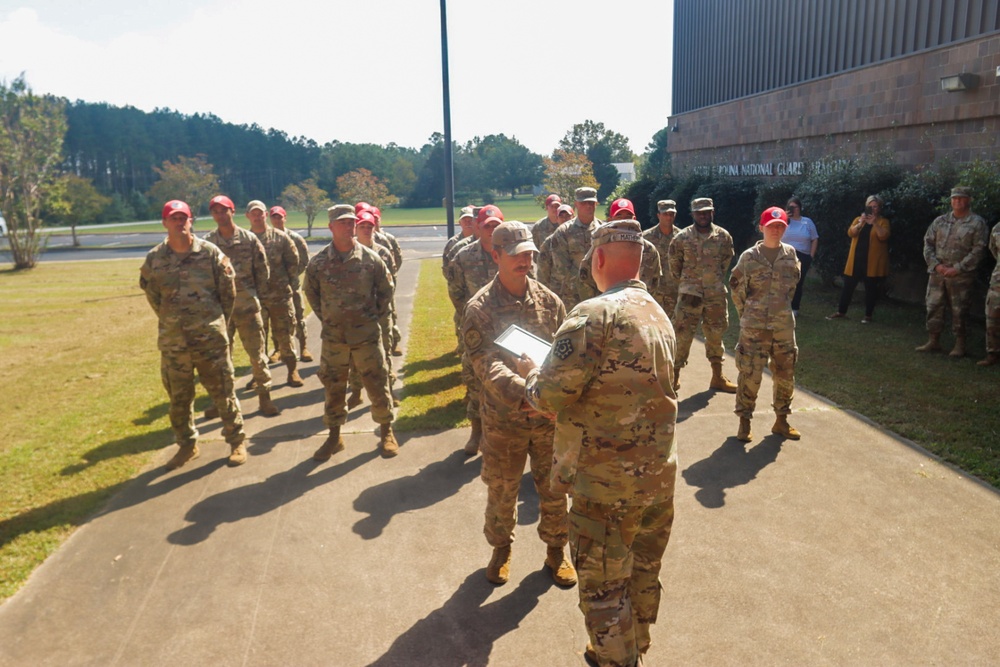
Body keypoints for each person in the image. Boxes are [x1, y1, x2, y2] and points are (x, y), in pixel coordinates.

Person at [518, 219, 678, 667]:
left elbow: (550, 395)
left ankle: (615, 658)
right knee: (642, 574)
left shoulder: (594, 313)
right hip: (657, 477)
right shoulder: (657, 314)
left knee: (604, 590)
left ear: (600, 259)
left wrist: (532, 371)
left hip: (604, 485)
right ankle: (635, 648)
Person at [461, 220, 576, 588]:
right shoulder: (479, 308)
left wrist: (548, 392)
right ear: (495, 255)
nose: (525, 261)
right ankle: (501, 549)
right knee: (502, 491)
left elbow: (563, 354)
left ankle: (557, 551)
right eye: (516, 255)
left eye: (529, 254)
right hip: (504, 421)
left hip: (546, 420)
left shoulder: (549, 302)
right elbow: (485, 365)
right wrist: (528, 389)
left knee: (555, 490)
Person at [140, 200, 248, 469]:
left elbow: (228, 294)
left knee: (223, 393)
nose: (179, 223)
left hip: (209, 340)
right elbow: (154, 297)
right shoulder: (155, 259)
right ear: (164, 222)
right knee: (179, 399)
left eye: (183, 218)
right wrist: (171, 322)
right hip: (174, 344)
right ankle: (187, 446)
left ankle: (236, 441)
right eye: (173, 218)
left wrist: (213, 323)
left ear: (191, 221)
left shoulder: (211, 254)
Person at [305, 204, 399, 460]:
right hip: (334, 339)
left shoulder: (370, 259)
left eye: (351, 222)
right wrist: (329, 318)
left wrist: (370, 319)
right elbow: (311, 292)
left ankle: (386, 431)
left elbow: (386, 291)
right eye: (342, 222)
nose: (349, 226)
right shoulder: (319, 263)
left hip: (366, 337)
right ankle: (334, 437)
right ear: (331, 227)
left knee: (378, 385)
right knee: (334, 388)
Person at [729, 207, 802, 442]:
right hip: (754, 328)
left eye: (781, 226)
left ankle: (781, 421)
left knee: (785, 374)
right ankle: (744, 422)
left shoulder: (790, 255)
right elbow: (737, 290)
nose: (776, 230)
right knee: (750, 374)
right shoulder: (749, 257)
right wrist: (748, 314)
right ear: (762, 228)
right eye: (772, 226)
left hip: (782, 327)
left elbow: (792, 287)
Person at [203, 195, 279, 417]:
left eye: (223, 210)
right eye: (215, 211)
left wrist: (255, 296)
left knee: (257, 355)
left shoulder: (248, 239)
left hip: (247, 307)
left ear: (232, 211)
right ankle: (221, 402)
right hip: (220, 313)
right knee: (220, 359)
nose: (220, 215)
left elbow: (262, 272)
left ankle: (265, 398)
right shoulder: (207, 244)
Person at [449, 205, 504, 455]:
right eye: (487, 225)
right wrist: (471, 319)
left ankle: (506, 435)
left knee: (508, 385)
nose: (492, 230)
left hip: (507, 332)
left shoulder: (512, 254)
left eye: (496, 225)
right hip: (477, 333)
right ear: (478, 227)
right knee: (474, 382)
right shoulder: (463, 256)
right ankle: (477, 431)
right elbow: (456, 292)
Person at [668, 197, 737, 394]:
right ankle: (674, 378)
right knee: (682, 336)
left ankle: (717, 377)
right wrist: (690, 282)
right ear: (692, 214)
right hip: (690, 295)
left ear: (712, 212)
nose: (703, 215)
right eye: (699, 212)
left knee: (715, 335)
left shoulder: (723, 237)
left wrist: (712, 280)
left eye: (706, 212)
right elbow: (675, 266)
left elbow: (726, 261)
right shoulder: (681, 238)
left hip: (715, 295)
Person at [915, 186, 989, 357]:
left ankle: (960, 345)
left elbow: (979, 250)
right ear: (950, 201)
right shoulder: (940, 221)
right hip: (938, 274)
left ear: (969, 200)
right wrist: (936, 265)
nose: (957, 201)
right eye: (954, 198)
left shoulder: (977, 223)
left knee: (960, 310)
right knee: (933, 306)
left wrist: (957, 268)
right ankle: (933, 341)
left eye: (961, 198)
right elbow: (928, 243)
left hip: (961, 276)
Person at [246, 200, 303, 388]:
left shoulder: (280, 238)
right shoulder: (244, 241)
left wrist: (287, 286)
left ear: (265, 215)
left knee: (286, 335)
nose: (257, 216)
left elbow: (293, 263)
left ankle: (292, 371)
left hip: (280, 297)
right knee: (257, 339)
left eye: (260, 213)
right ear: (248, 216)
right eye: (253, 213)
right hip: (256, 299)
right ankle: (259, 375)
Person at [348, 210, 398, 408]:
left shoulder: (383, 252)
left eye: (370, 226)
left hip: (379, 314)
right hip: (355, 316)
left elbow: (390, 280)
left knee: (384, 353)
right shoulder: (349, 252)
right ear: (356, 229)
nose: (367, 230)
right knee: (354, 356)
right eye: (362, 226)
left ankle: (389, 392)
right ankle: (356, 392)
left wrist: (379, 308)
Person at [577, 197, 662, 304]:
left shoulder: (649, 249)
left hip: (638, 306)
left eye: (628, 217)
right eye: (619, 216)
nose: (624, 221)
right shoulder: (600, 247)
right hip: (606, 309)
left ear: (634, 219)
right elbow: (585, 279)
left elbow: (655, 282)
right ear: (610, 220)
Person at [826, 195, 890, 323]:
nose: (872, 209)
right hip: (855, 260)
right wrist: (861, 222)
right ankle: (841, 311)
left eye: (875, 206)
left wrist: (875, 223)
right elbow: (851, 233)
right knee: (848, 286)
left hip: (871, 262)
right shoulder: (858, 219)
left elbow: (884, 236)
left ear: (879, 208)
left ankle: (868, 316)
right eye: (870, 206)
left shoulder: (883, 222)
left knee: (871, 288)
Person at [537, 186, 603, 311]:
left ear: (596, 204)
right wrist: (586, 283)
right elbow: (562, 269)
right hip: (572, 298)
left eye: (591, 203)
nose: (588, 206)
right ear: (576, 204)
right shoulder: (563, 232)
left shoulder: (603, 230)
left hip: (599, 295)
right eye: (584, 203)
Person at [268, 205, 313, 362]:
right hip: (272, 289)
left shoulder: (295, 238)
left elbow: (304, 260)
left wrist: (290, 276)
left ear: (285, 218)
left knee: (298, 316)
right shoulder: (267, 238)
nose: (277, 220)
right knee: (275, 320)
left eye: (280, 217)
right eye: (274, 217)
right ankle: (278, 349)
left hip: (292, 286)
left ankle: (304, 347)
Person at [443, 207, 477, 353]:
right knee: (461, 319)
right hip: (463, 289)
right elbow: (447, 266)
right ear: (460, 222)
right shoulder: (453, 244)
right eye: (465, 220)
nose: (468, 222)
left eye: (471, 219)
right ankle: (462, 345)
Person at [643, 199, 681, 317]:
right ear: (658, 215)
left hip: (675, 292)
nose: (668, 218)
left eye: (671, 214)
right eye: (665, 214)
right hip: (653, 293)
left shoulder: (682, 238)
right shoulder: (646, 238)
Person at [783, 197, 818, 315]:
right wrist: (785, 218)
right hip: (785, 255)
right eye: (790, 207)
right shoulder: (783, 221)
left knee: (798, 282)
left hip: (803, 255)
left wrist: (811, 256)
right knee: (783, 281)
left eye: (795, 207)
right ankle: (782, 305)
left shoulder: (807, 222)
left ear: (800, 208)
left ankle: (794, 308)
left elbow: (815, 238)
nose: (793, 210)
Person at [979, 219, 1000, 366]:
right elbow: (994, 251)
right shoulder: (997, 228)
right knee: (992, 319)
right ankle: (992, 354)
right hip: (998, 283)